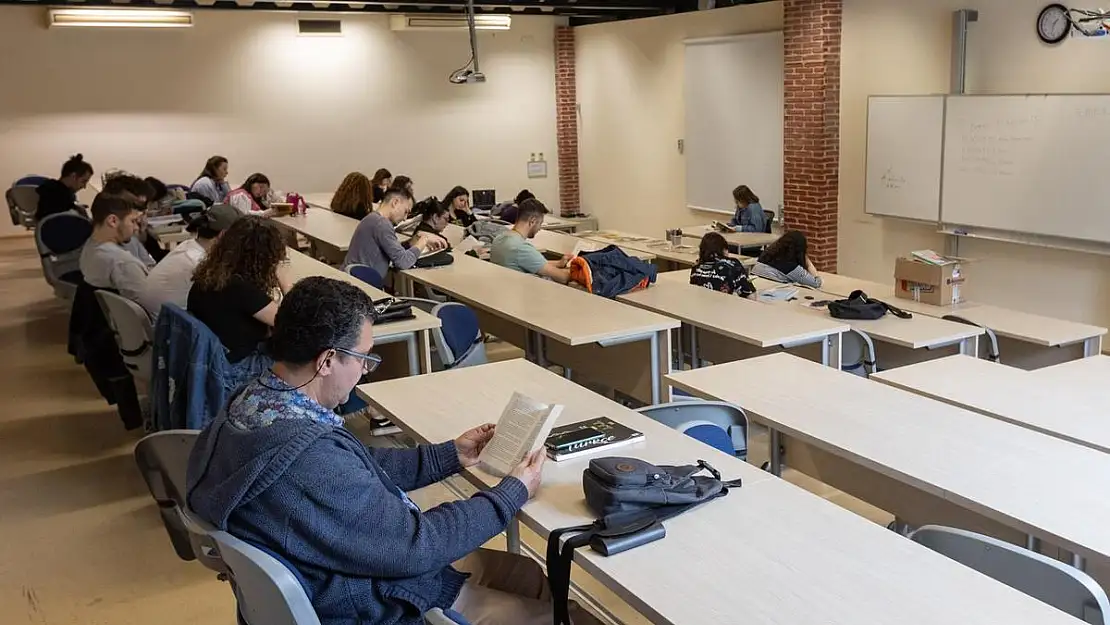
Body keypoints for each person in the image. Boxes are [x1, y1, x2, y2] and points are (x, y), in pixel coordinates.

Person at [185, 276, 598, 625]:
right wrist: (512, 492)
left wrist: (448, 455)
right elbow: (417, 546)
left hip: (331, 573)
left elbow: (354, 472)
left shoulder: (255, 403)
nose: (365, 370)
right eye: (363, 358)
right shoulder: (309, 459)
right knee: (569, 614)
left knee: (527, 571)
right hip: (371, 602)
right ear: (327, 359)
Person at [187, 216, 290, 381]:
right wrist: (285, 282)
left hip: (214, 361)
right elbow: (293, 321)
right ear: (264, 258)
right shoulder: (239, 287)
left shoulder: (211, 273)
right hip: (237, 368)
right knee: (307, 360)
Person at [139, 204, 239, 316]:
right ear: (223, 234)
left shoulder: (188, 245)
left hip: (152, 321)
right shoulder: (199, 263)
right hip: (165, 327)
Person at [343, 188, 446, 278]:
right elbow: (403, 262)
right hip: (363, 286)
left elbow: (390, 248)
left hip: (354, 280)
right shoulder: (382, 224)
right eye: (406, 211)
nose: (405, 218)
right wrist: (424, 239)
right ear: (395, 202)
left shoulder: (372, 218)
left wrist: (412, 241)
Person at [78, 194, 149, 303]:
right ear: (113, 221)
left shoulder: (89, 247)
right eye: (133, 221)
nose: (136, 228)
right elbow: (151, 309)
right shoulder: (123, 263)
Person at [490, 199, 571, 283]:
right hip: (523, 293)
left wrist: (559, 263)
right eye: (540, 223)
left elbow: (533, 262)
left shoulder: (498, 239)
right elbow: (563, 277)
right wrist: (577, 270)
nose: (539, 228)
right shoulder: (522, 249)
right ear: (532, 221)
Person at [101, 172, 162, 266]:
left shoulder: (131, 239)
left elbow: (150, 265)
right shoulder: (110, 252)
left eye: (143, 209)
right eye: (136, 207)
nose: (139, 216)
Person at [690, 232, 755, 297]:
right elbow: (750, 296)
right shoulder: (733, 264)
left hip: (701, 305)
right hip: (724, 306)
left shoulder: (696, 266)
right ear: (723, 249)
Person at [752, 230, 822, 288]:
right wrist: (807, 260)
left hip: (757, 289)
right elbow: (816, 283)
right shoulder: (791, 267)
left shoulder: (766, 255)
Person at [35, 154, 94, 221]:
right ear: (73, 176)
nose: (84, 186)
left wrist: (75, 207)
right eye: (83, 181)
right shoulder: (65, 198)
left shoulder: (48, 188)